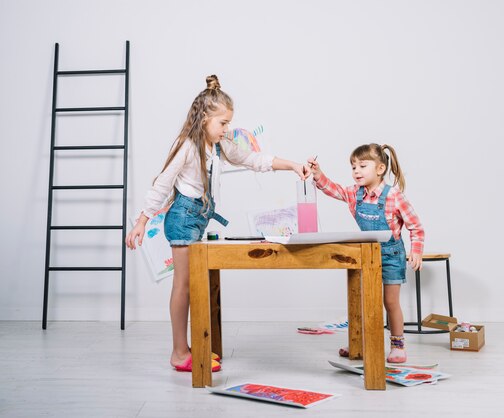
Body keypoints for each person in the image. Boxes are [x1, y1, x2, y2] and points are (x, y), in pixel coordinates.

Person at [125, 75, 311, 372]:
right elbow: (162, 183)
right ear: (203, 120)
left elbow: (253, 159)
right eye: (223, 123)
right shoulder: (187, 146)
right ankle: (179, 352)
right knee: (183, 286)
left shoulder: (220, 144)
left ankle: (191, 347)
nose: (227, 129)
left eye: (228, 123)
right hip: (183, 219)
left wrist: (293, 166)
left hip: (198, 218)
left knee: (195, 284)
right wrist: (141, 221)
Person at [307, 144, 424, 363]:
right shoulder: (354, 193)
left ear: (380, 169)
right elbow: (334, 189)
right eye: (353, 167)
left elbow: (416, 227)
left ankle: (397, 345)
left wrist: (416, 252)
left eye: (362, 166)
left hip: (391, 255)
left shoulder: (394, 196)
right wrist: (318, 174)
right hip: (366, 253)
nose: (356, 171)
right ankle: (358, 342)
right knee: (362, 300)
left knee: (390, 302)